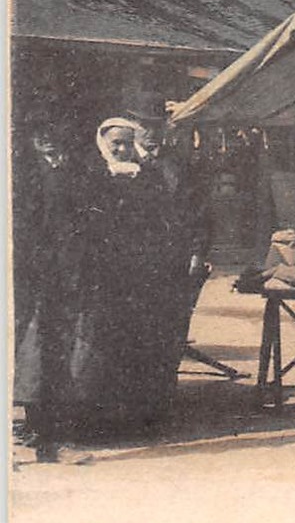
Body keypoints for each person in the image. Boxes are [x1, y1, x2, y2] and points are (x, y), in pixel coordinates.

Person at [61, 118, 195, 440]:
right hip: (99, 274)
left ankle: (127, 420)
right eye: (114, 143)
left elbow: (160, 225)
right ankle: (88, 420)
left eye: (126, 143)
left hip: (135, 275)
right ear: (102, 143)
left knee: (132, 343)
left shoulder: (147, 179)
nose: (120, 149)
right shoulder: (90, 177)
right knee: (94, 344)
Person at [12, 121, 80, 462]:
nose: (48, 138)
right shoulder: (27, 174)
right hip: (33, 274)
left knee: (48, 354)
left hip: (57, 275)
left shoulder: (67, 169)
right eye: (42, 135)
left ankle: (47, 440)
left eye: (53, 133)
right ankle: (40, 436)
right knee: (35, 352)